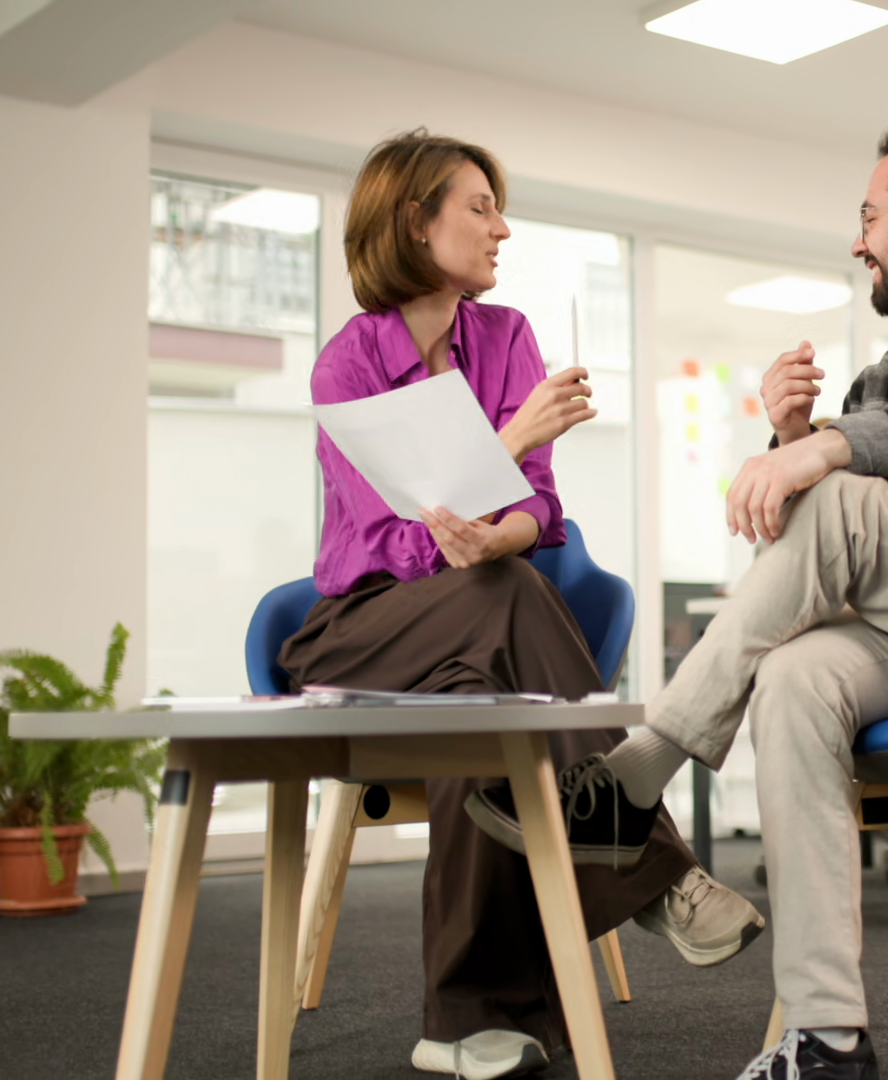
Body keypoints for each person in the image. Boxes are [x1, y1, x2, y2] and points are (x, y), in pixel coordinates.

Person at [481, 121, 888, 1079]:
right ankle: (828, 1038)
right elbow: (845, 539)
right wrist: (797, 434)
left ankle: (633, 780)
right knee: (791, 679)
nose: (858, 241)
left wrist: (821, 451)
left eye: (870, 218)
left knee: (835, 495)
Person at [275, 130, 761, 1080]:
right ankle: (654, 867)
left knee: (483, 706)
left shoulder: (505, 338)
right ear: (415, 222)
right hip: (361, 635)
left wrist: (502, 532)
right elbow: (392, 538)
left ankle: (463, 1023)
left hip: (473, 626)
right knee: (500, 596)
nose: (502, 228)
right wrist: (503, 455)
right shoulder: (346, 364)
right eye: (480, 208)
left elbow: (536, 506)